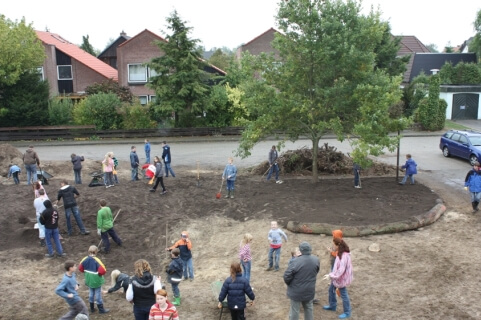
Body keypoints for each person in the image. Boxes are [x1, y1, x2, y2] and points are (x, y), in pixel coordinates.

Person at [283, 242, 320, 320]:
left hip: (296, 290)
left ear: (301, 250)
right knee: (309, 308)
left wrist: (290, 284)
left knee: (295, 310)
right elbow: (316, 271)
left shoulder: (295, 261)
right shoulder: (316, 260)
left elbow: (286, 276)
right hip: (309, 289)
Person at [322, 238, 354, 319]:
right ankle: (332, 306)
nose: (333, 245)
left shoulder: (344, 256)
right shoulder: (340, 253)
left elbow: (341, 270)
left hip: (341, 278)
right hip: (337, 277)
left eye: (334, 244)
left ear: (337, 245)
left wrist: (330, 275)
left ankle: (347, 312)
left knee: (343, 294)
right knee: (331, 289)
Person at [79, 245, 110, 314]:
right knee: (98, 294)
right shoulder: (97, 260)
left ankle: (92, 308)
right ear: (96, 252)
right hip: (96, 280)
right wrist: (99, 274)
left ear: (88, 251)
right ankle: (101, 310)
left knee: (91, 293)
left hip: (88, 279)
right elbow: (103, 270)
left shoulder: (85, 259)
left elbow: (80, 268)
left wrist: (86, 272)